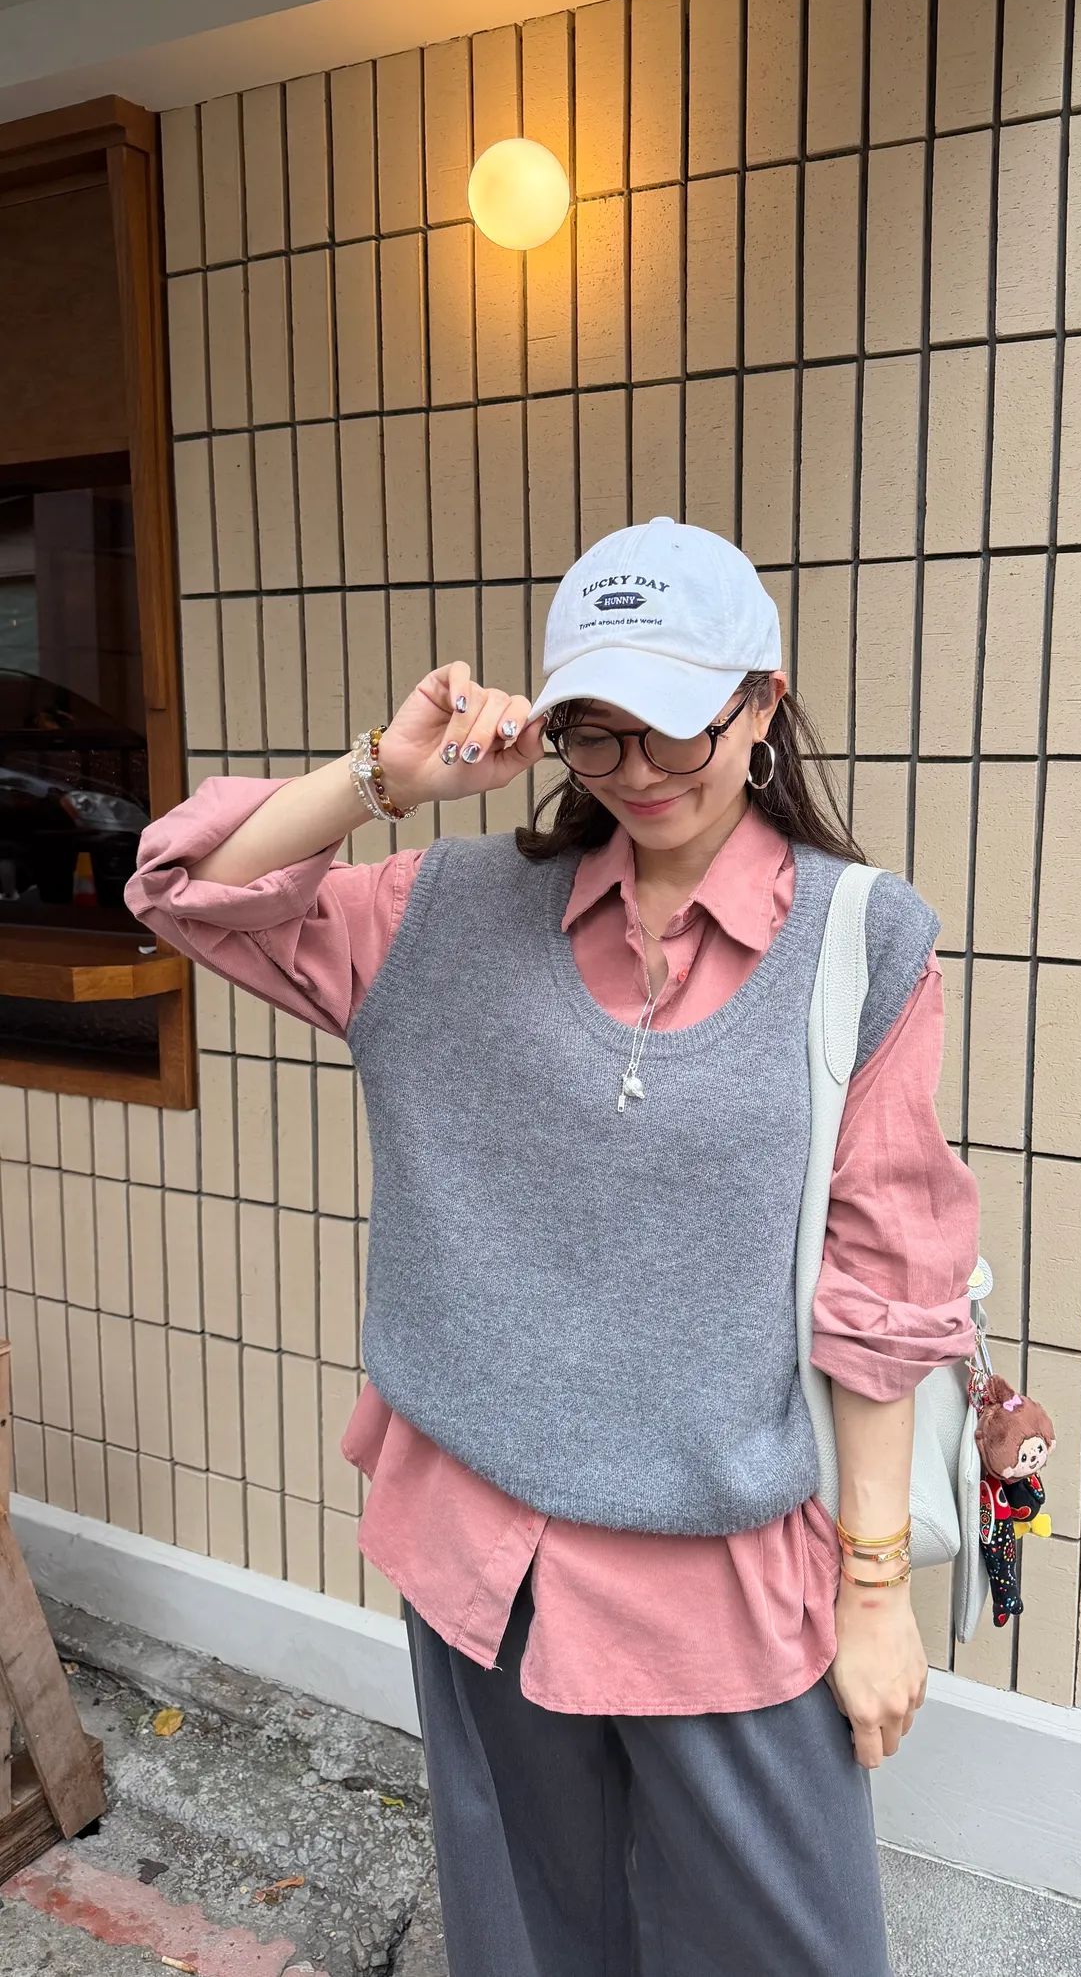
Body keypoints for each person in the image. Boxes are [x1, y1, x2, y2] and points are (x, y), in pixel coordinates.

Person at [128, 517, 978, 1977]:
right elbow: (178, 886)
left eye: (676, 726)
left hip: (723, 1585)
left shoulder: (863, 944)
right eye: (594, 733)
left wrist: (878, 1595)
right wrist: (387, 779)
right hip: (479, 1559)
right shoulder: (450, 912)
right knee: (527, 1942)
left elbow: (885, 1284)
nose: (638, 773)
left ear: (763, 703)